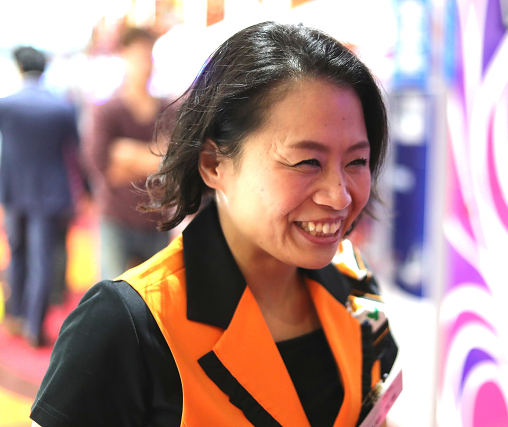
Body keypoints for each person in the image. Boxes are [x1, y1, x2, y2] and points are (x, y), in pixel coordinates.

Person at [31, 21, 398, 427]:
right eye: (307, 162)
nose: (340, 196)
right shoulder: (127, 324)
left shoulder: (352, 279)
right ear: (214, 164)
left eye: (357, 161)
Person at [0, 46, 79, 347]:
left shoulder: (6, 105)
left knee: (16, 253)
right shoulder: (62, 107)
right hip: (50, 193)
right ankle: (35, 325)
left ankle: (15, 315)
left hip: (12, 190)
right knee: (42, 259)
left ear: (19, 68)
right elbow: (75, 151)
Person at [83, 26, 171, 281]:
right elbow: (102, 168)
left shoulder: (169, 109)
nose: (145, 63)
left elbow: (174, 164)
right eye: (138, 54)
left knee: (156, 296)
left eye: (149, 54)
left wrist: (126, 153)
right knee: (112, 294)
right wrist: (155, 159)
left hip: (157, 220)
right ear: (124, 56)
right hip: (116, 218)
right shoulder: (107, 111)